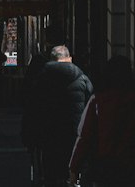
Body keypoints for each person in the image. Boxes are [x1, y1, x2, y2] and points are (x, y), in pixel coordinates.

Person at [68, 56, 135, 187]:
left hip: (104, 169)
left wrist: (74, 168)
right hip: (134, 169)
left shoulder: (97, 101)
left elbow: (84, 136)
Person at [22, 43, 93, 187]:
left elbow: (31, 109)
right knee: (72, 172)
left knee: (50, 174)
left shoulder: (41, 78)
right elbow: (90, 107)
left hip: (48, 134)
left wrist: (28, 136)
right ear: (70, 59)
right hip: (73, 134)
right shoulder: (82, 78)